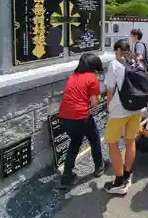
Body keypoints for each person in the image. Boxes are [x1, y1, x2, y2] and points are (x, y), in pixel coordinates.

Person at [58, 53, 106, 188]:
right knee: (95, 139)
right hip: (81, 117)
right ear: (94, 66)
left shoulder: (73, 77)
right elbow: (95, 103)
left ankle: (67, 176)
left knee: (75, 142)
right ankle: (99, 167)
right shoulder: (92, 78)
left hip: (64, 118)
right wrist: (99, 96)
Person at [103, 40, 142, 195]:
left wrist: (107, 109)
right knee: (130, 141)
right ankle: (128, 174)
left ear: (118, 50)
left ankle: (119, 182)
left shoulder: (114, 64)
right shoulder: (136, 62)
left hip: (119, 110)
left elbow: (110, 90)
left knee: (112, 143)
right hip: (137, 108)